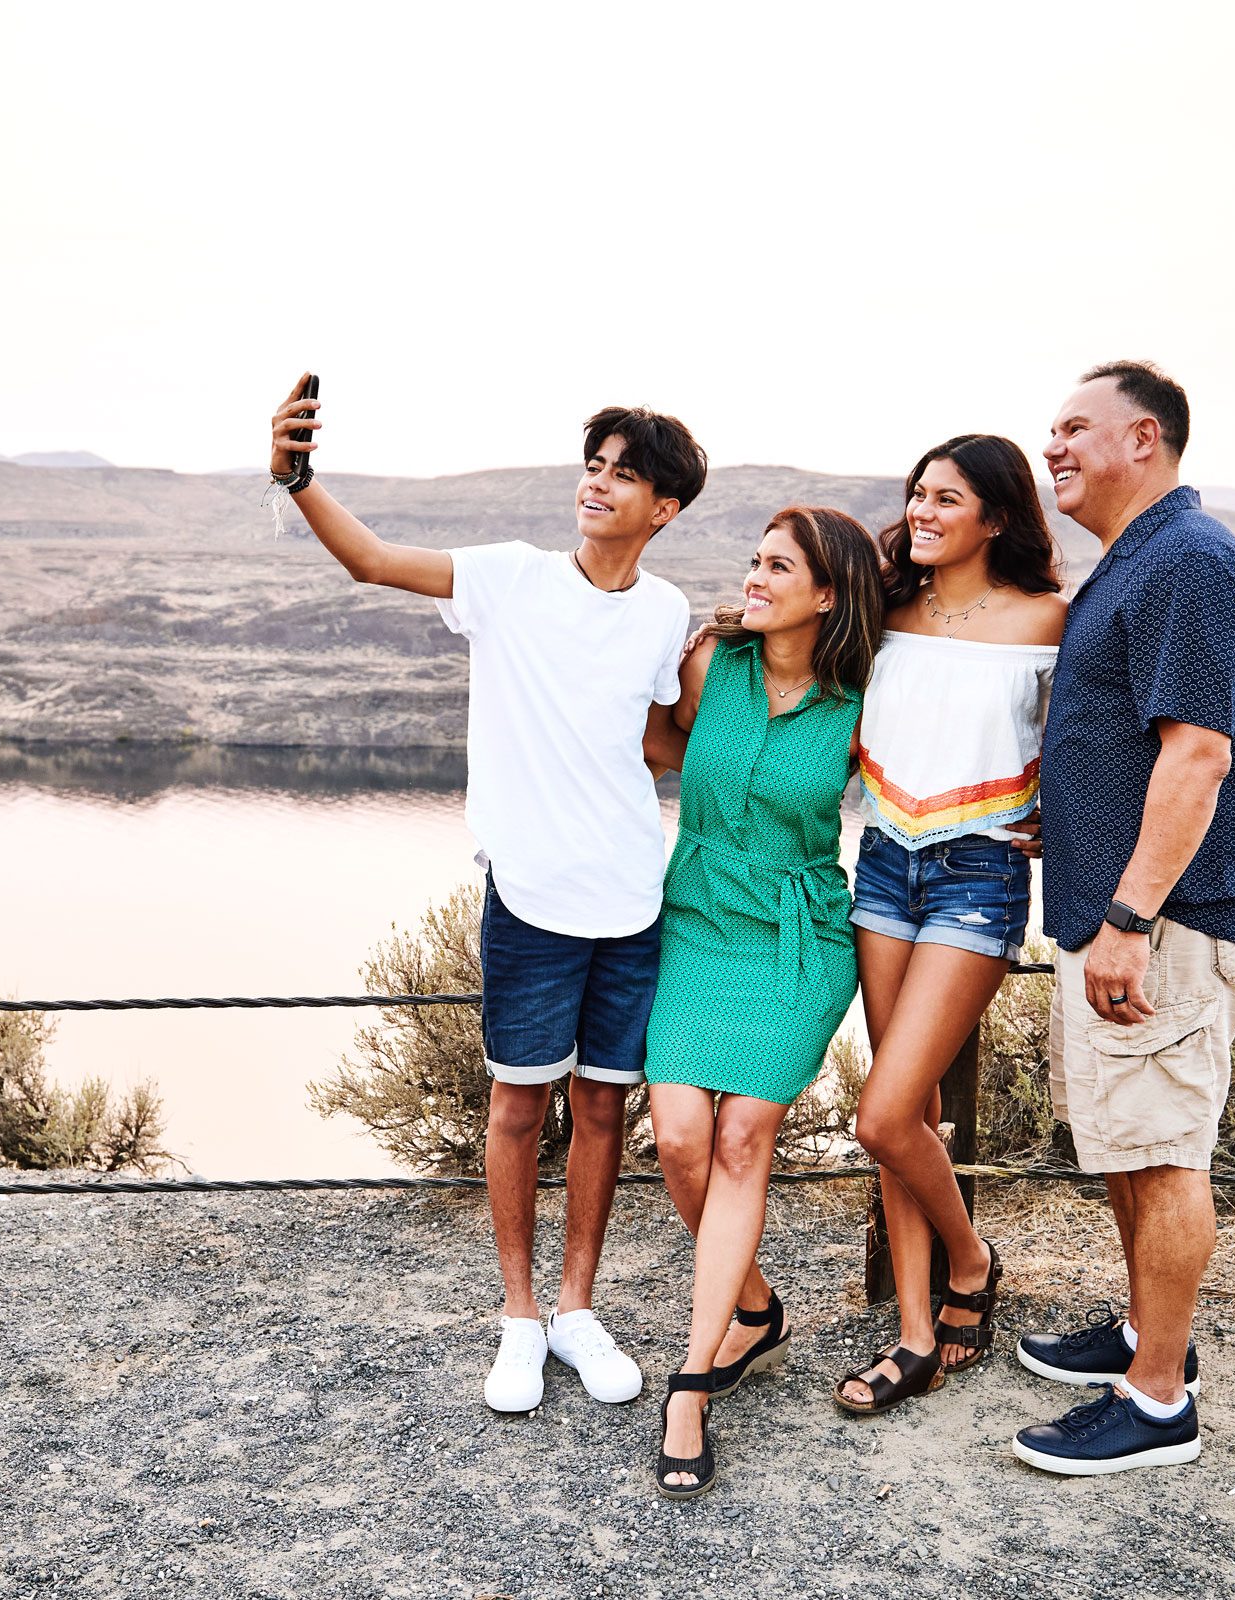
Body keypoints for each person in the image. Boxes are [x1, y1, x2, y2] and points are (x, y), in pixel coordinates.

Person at [267, 375, 707, 1414]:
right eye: (592, 467)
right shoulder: (511, 579)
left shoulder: (667, 610)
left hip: (631, 899)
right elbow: (372, 560)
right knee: (519, 1105)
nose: (597, 486)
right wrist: (297, 479)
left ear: (665, 508)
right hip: (533, 900)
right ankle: (517, 1317)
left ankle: (576, 1309)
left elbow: (658, 739)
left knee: (603, 1107)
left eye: (623, 475)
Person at [1010, 360, 1235, 1475]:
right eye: (1050, 431)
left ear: (1147, 440)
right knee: (1130, 1140)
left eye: (1076, 428)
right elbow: (1133, 744)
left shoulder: (1189, 564)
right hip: (1121, 910)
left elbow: (1199, 753)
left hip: (1161, 922)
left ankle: (1158, 1400)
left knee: (1166, 1151)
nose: (1054, 448)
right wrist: (1069, 821)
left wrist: (1126, 913)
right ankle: (1140, 1332)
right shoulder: (1140, 562)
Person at [641, 506, 885, 1498]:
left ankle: (691, 1383)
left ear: (825, 594)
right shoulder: (710, 669)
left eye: (775, 565)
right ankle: (750, 1306)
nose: (753, 576)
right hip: (696, 918)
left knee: (744, 1135)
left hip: (797, 933)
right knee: (682, 1139)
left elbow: (924, 792)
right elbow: (653, 742)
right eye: (754, 560)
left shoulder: (860, 702)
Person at [835, 436, 1066, 1415]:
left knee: (882, 1113)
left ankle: (971, 1262)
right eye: (916, 495)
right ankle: (918, 1335)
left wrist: (1067, 808)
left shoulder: (1048, 618)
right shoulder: (883, 611)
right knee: (909, 1119)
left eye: (947, 498)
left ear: (998, 517)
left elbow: (1100, 735)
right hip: (884, 858)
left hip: (978, 872)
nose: (922, 511)